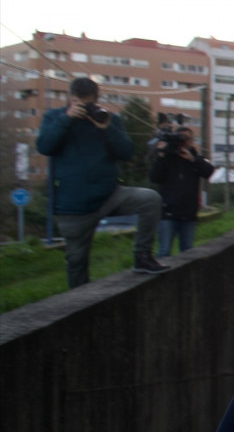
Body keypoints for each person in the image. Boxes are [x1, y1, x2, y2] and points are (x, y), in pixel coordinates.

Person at [36, 77, 168, 287]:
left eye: (89, 103)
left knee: (150, 199)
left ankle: (142, 257)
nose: (85, 108)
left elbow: (127, 152)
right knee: (77, 261)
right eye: (80, 103)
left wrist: (106, 128)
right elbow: (44, 147)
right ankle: (78, 307)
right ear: (71, 98)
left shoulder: (109, 120)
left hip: (110, 195)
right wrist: (66, 119)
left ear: (96, 100)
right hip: (73, 205)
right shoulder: (54, 117)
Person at [149, 124, 214, 256]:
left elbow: (209, 172)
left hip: (188, 214)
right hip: (168, 213)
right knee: (164, 251)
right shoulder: (167, 159)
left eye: (189, 139)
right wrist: (161, 156)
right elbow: (154, 177)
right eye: (182, 139)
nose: (185, 142)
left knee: (188, 251)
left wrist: (193, 160)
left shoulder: (195, 159)